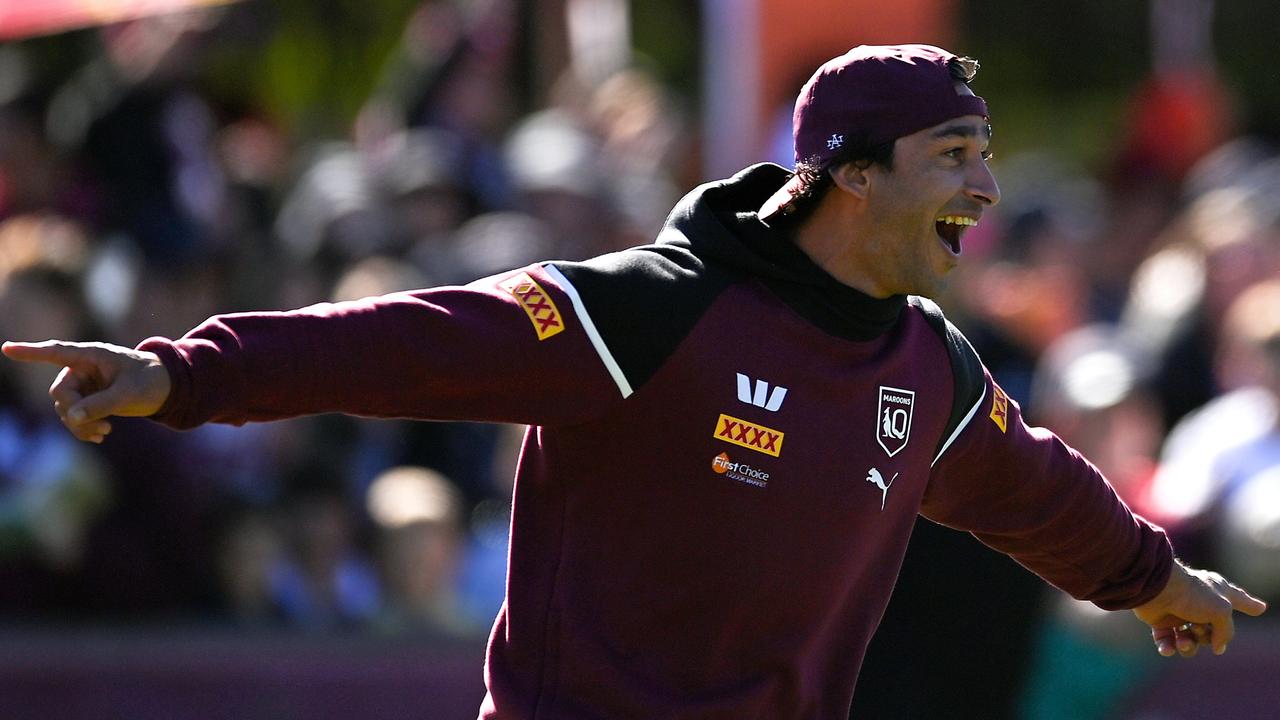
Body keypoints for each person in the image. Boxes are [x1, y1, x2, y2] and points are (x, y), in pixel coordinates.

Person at [2, 44, 1267, 718]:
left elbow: (1029, 487)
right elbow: (396, 341)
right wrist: (179, 373)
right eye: (952, 157)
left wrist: (1154, 579)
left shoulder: (923, 367)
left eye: (983, 158)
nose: (984, 191)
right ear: (849, 174)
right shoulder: (649, 309)